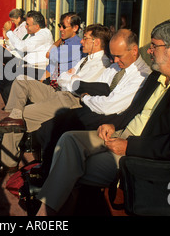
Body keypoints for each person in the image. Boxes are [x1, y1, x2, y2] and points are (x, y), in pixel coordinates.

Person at [35, 19, 170, 216]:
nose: (150, 51)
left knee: (71, 167)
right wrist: (112, 124)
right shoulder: (157, 77)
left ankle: (45, 215)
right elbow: (134, 111)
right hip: (122, 135)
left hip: (144, 155)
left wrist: (129, 147)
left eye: (154, 46)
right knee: (69, 139)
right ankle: (50, 213)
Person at [0, 24, 112, 172]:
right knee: (21, 80)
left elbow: (78, 88)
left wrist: (71, 79)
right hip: (58, 91)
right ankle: (15, 117)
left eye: (85, 38)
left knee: (22, 114)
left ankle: (8, 163)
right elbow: (61, 79)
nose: (82, 42)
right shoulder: (86, 59)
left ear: (96, 42)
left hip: (70, 101)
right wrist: (71, 78)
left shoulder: (103, 64)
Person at [38, 29, 151, 174]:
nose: (115, 60)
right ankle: (48, 169)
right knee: (48, 127)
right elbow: (97, 87)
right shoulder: (116, 67)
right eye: (114, 55)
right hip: (92, 110)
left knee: (56, 130)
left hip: (110, 121)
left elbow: (108, 106)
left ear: (134, 51)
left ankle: (50, 173)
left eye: (119, 56)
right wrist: (90, 93)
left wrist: (85, 97)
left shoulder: (142, 75)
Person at [0, 11, 54, 105]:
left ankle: (9, 102)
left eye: (28, 25)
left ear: (37, 26)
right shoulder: (34, 33)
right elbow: (19, 46)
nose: (26, 26)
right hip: (22, 61)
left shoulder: (43, 35)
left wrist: (8, 31)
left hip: (32, 68)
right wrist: (8, 43)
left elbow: (22, 46)